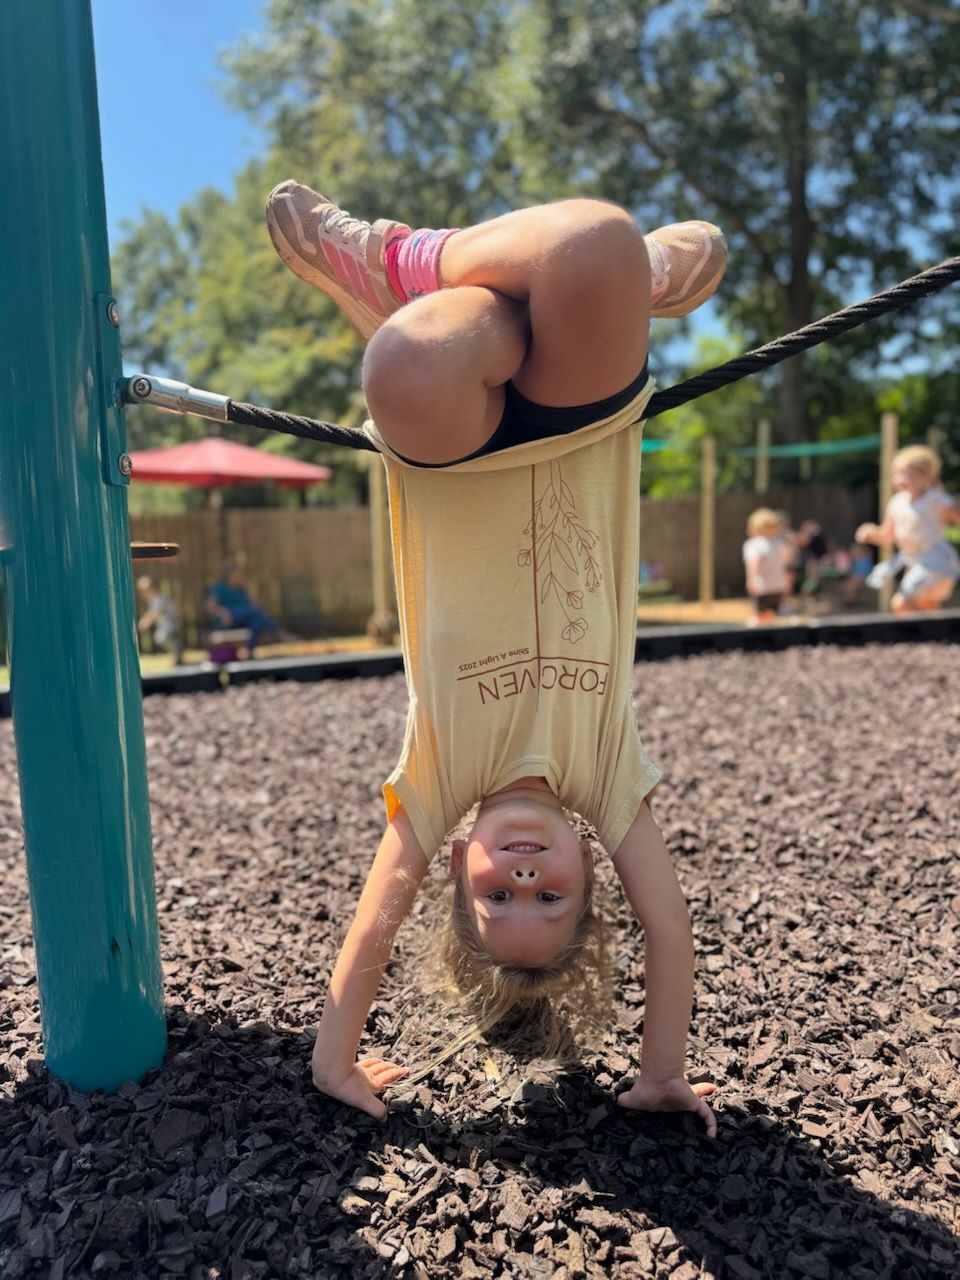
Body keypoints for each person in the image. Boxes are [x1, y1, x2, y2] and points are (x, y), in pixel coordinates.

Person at [266, 180, 728, 1136]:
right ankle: (632, 280)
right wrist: (663, 1074)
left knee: (408, 360)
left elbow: (374, 921)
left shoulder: (439, 778)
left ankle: (407, 268)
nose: (524, 874)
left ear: (457, 863)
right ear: (592, 869)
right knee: (595, 239)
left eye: (495, 894)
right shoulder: (608, 775)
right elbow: (670, 929)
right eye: (549, 896)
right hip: (583, 429)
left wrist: (332, 1058)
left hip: (449, 453)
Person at [856, 445, 960, 613]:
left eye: (908, 475)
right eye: (896, 474)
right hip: (915, 562)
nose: (900, 479)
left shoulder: (934, 499)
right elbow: (887, 536)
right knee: (925, 604)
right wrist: (870, 533)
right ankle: (934, 630)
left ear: (926, 476)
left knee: (901, 603)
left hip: (936, 561)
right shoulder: (897, 503)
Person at [204, 561, 287, 645]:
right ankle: (280, 633)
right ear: (228, 575)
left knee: (257, 621)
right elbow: (209, 605)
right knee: (257, 612)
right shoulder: (220, 588)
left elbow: (253, 605)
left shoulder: (240, 589)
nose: (238, 576)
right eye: (235, 574)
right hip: (230, 616)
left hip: (244, 618)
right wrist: (222, 613)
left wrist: (246, 589)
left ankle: (251, 649)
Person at [742, 508, 793, 624]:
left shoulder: (753, 545)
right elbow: (786, 564)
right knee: (771, 618)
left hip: (762, 588)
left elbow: (754, 564)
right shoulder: (780, 544)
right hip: (778, 587)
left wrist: (751, 580)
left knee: (757, 619)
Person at [136, 575, 181, 661]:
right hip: (165, 624)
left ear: (152, 588)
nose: (143, 594)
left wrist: (144, 622)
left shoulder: (157, 598)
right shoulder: (154, 599)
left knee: (160, 638)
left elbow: (154, 613)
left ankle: (178, 648)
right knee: (160, 638)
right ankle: (177, 652)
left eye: (144, 591)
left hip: (170, 623)